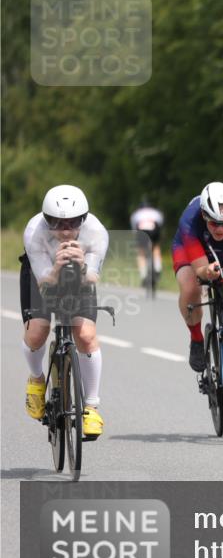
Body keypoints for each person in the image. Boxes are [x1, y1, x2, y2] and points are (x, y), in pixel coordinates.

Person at [20, 184, 110, 438]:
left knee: (86, 335)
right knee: (38, 331)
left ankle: (91, 407)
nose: (66, 230)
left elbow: (91, 279)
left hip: (79, 274)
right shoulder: (34, 232)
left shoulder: (96, 233)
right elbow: (43, 282)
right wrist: (57, 269)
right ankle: (36, 380)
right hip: (42, 275)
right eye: (57, 223)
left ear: (83, 219)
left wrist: (81, 266)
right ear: (46, 220)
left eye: (72, 223)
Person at [171, 182, 223, 421]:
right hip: (191, 250)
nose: (221, 228)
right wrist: (209, 271)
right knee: (190, 286)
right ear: (204, 215)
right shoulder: (189, 220)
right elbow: (201, 270)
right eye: (215, 223)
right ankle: (197, 338)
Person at [129, 197, 165, 288]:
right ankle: (157, 267)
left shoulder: (136, 214)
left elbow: (134, 230)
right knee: (156, 247)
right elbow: (160, 225)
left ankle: (144, 275)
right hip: (154, 231)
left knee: (141, 253)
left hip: (142, 231)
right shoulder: (156, 212)